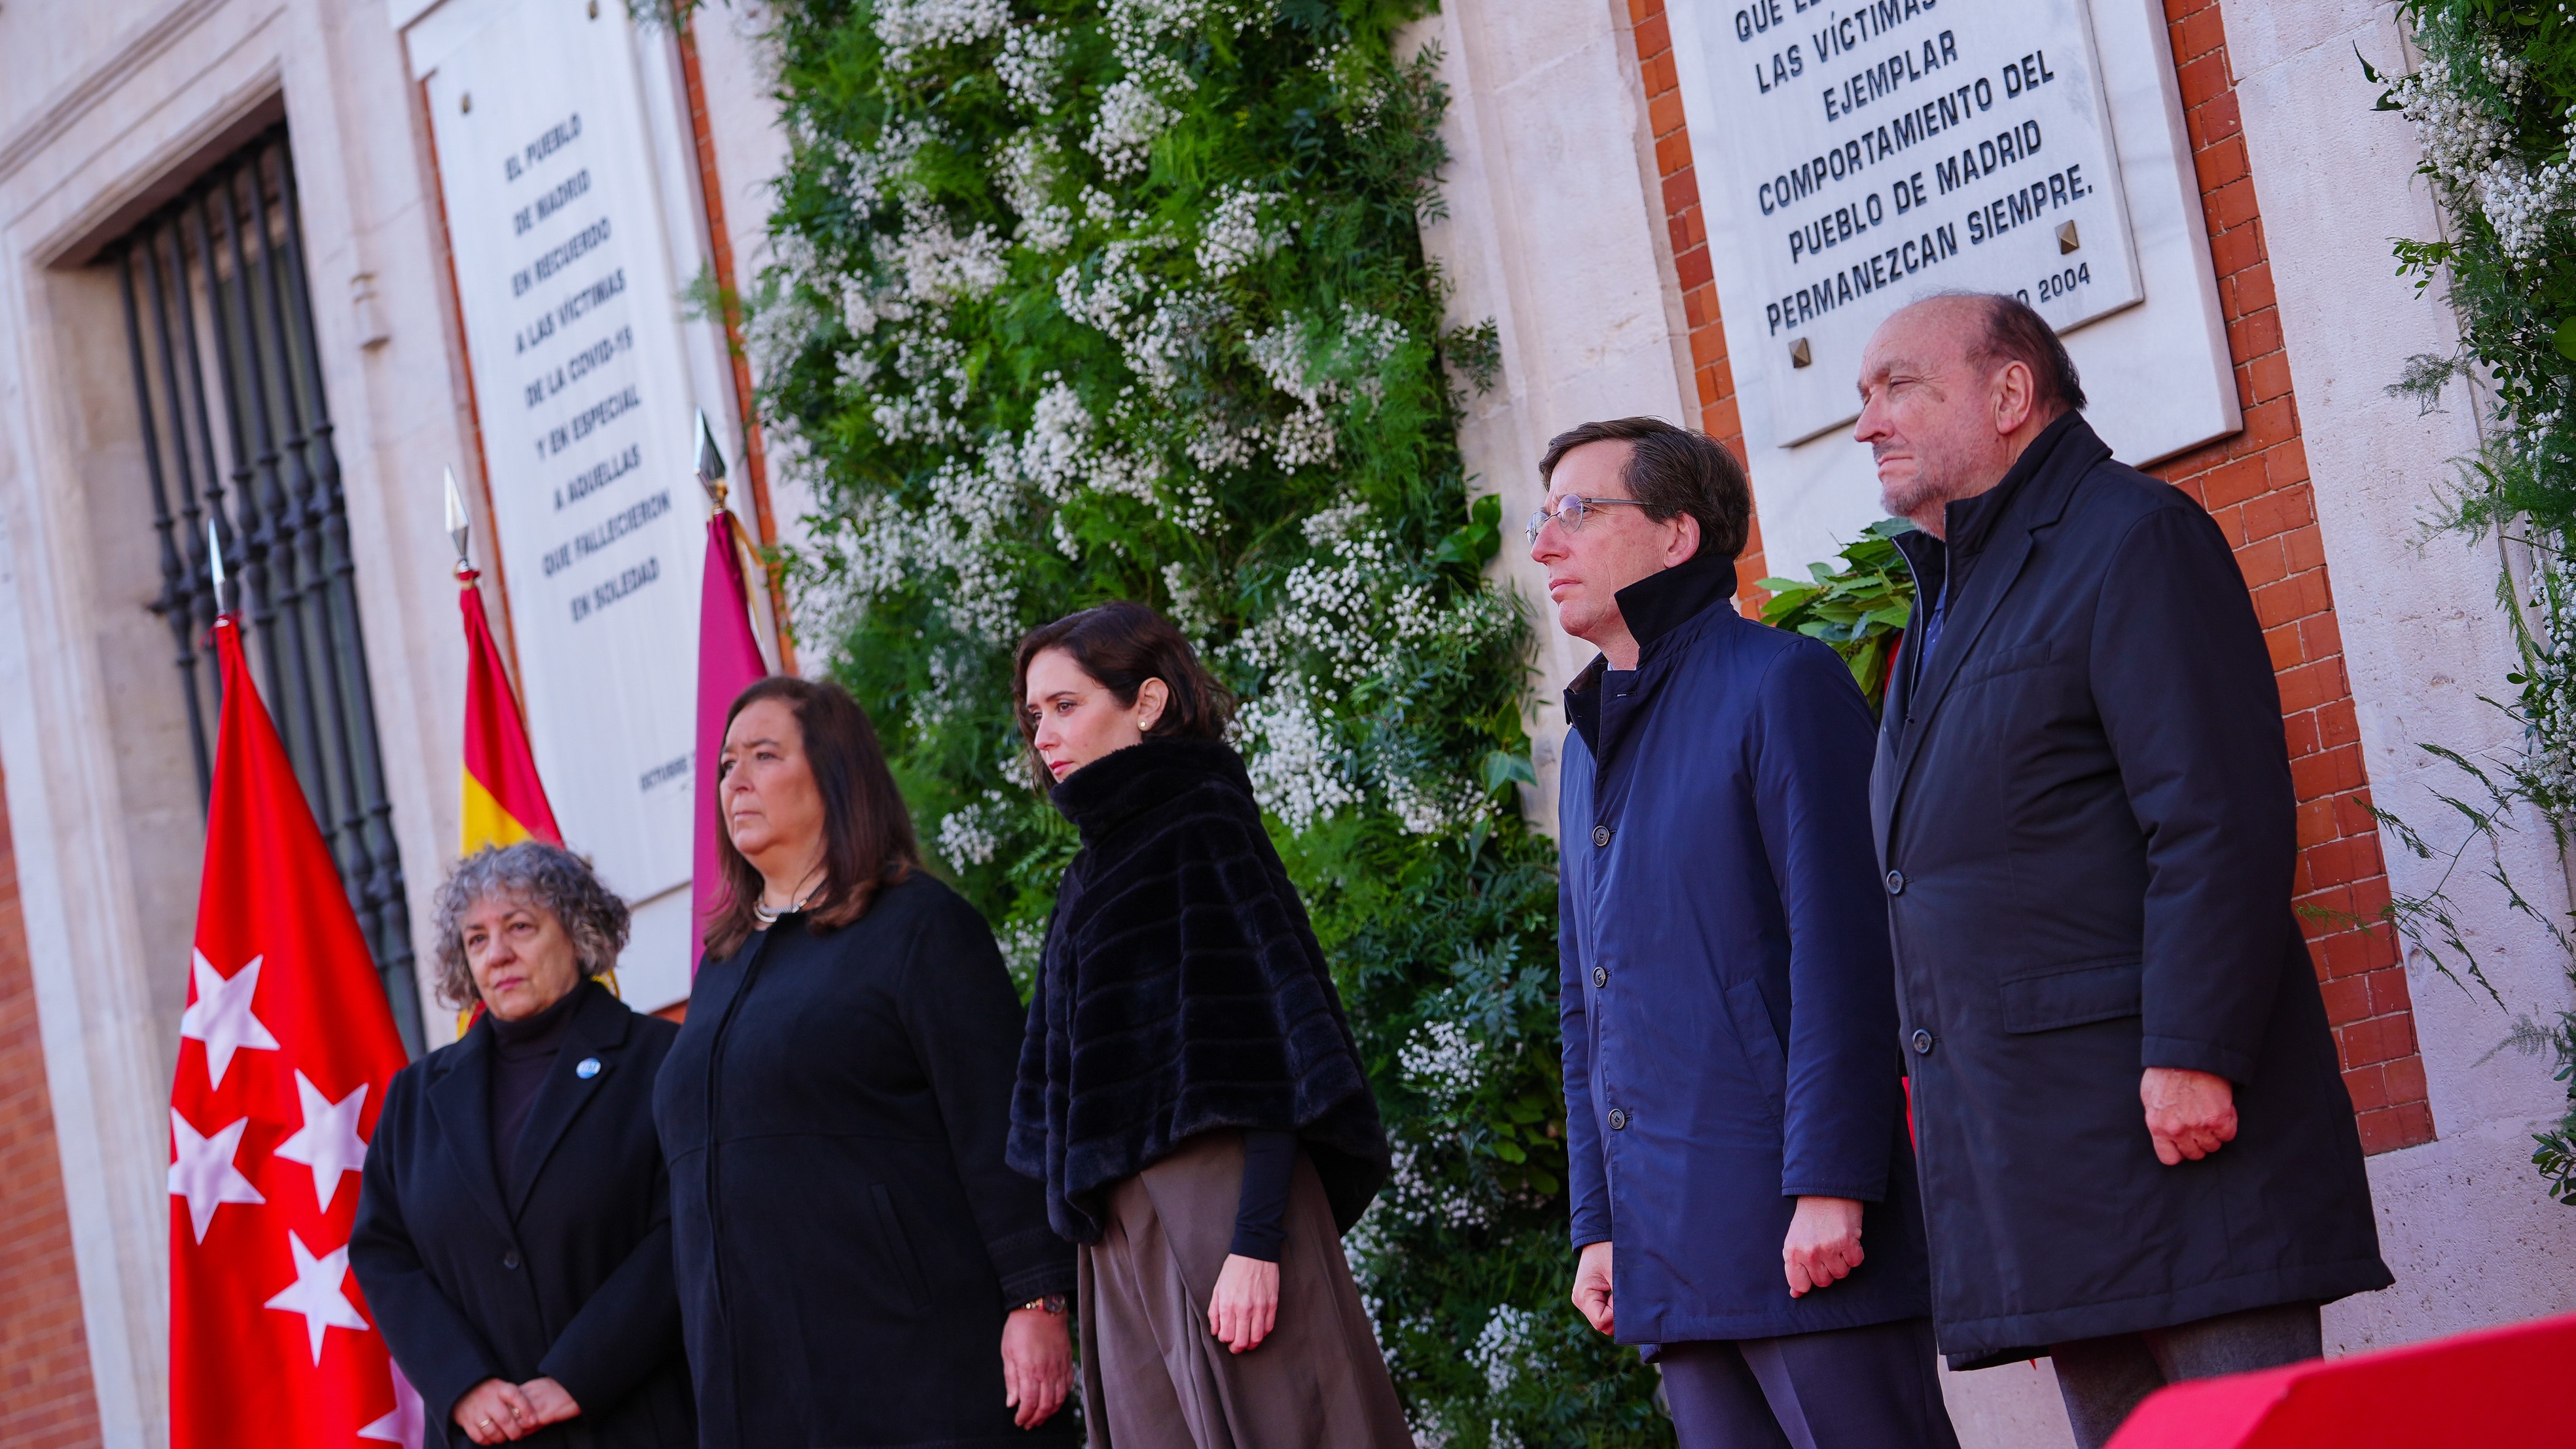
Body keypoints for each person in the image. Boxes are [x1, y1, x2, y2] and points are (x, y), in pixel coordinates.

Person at [1855, 293, 2393, 1446]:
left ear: (2009, 394)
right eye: (1863, 397)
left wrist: (2194, 1048)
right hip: (2048, 1165)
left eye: (1899, 386)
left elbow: (2214, 814)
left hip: (2176, 1138)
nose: (1868, 424)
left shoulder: (2131, 536)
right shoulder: (1945, 596)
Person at [1534, 419, 1960, 1448]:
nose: (1545, 544)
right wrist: (1600, 1224)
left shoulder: (1782, 682)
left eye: (1577, 512)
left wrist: (1834, 1181)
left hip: (1804, 1235)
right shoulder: (1587, 746)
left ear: (1678, 536)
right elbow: (1584, 1005)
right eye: (1544, 516)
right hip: (1670, 1259)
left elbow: (1848, 950)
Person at [1005, 601, 1408, 1449]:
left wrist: (1258, 1240)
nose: (1044, 732)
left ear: (1146, 704)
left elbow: (1276, 1040)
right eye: (1035, 713)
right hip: (1120, 1243)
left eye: (1067, 705)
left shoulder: (1199, 823)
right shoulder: (1091, 873)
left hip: (1223, 1212)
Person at [653, 676, 1075, 1447]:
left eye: (763, 756)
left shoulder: (917, 925)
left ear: (834, 774)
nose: (735, 781)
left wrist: (1037, 1298)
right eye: (724, 766)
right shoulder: (721, 963)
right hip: (756, 1384)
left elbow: (1001, 1123)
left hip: (912, 1364)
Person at [351, 842, 692, 1448]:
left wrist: (578, 1374)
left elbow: (687, 1232)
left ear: (578, 931)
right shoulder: (415, 1096)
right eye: (477, 939)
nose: (498, 954)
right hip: (481, 1434)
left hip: (631, 1421)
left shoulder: (660, 1063)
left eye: (520, 928)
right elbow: (383, 1253)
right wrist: (462, 1383)